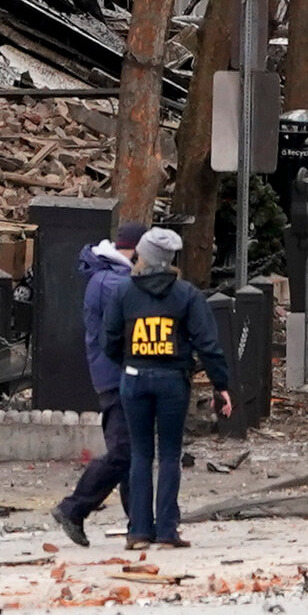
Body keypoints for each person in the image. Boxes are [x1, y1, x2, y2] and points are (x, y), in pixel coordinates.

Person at [100, 226, 234, 548]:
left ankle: (138, 531)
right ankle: (167, 531)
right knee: (170, 454)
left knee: (140, 454)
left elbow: (109, 340)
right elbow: (207, 343)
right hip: (173, 380)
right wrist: (221, 383)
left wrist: (129, 362)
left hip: (134, 378)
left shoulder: (124, 292)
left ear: (143, 256)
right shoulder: (187, 295)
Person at [49, 219, 146, 547]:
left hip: (116, 376)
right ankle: (73, 508)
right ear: (137, 251)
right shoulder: (113, 283)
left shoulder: (108, 277)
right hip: (118, 378)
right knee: (124, 451)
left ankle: (139, 525)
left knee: (132, 452)